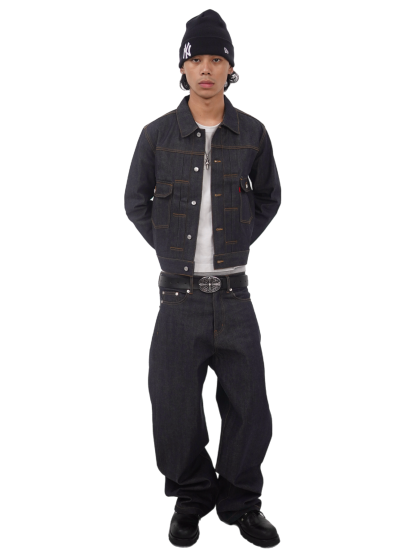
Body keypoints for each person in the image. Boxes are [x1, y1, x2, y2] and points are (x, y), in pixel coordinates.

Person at [124, 9, 281, 548]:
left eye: (218, 60)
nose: (207, 69)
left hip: (236, 295)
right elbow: (135, 202)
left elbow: (268, 197)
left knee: (249, 407)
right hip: (177, 298)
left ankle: (242, 502)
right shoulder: (156, 135)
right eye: (198, 60)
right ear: (183, 69)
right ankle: (190, 498)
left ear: (230, 70)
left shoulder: (253, 134)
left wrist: (238, 239)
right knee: (172, 407)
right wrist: (170, 247)